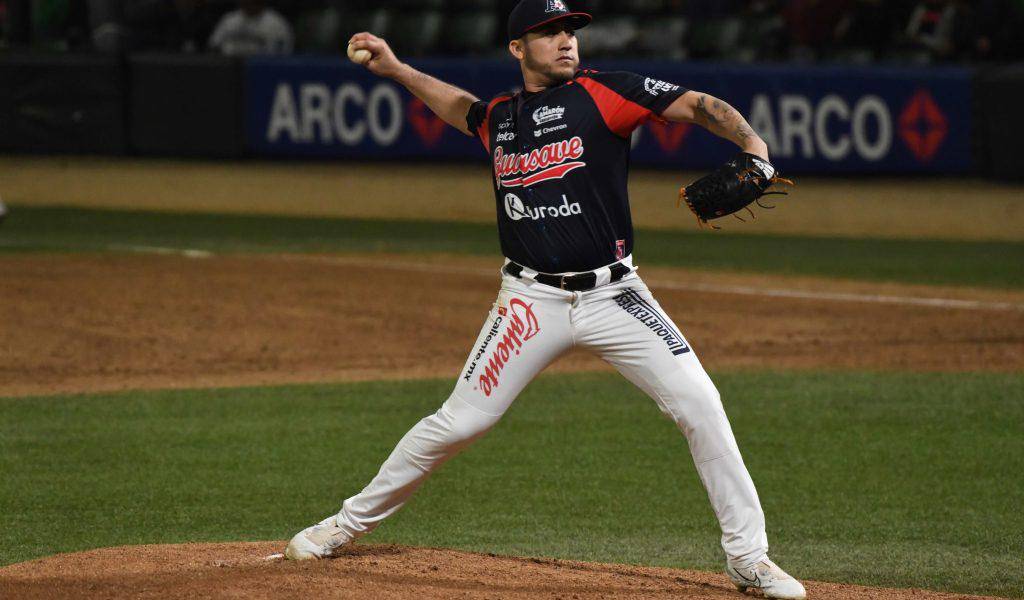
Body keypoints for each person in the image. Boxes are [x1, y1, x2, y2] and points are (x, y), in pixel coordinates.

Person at [285, 1, 806, 598]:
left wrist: (754, 145)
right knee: (458, 424)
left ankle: (749, 558)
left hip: (617, 296)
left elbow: (696, 105)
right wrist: (398, 69)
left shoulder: (607, 92)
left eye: (570, 30)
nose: (565, 40)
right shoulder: (501, 118)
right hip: (529, 301)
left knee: (701, 404)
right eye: (549, 32)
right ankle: (343, 526)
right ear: (517, 48)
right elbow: (462, 109)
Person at [207, 0, 292, 56]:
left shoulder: (276, 22)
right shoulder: (229, 19)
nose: (248, 3)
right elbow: (214, 45)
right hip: (229, 65)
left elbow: (284, 52)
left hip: (263, 66)